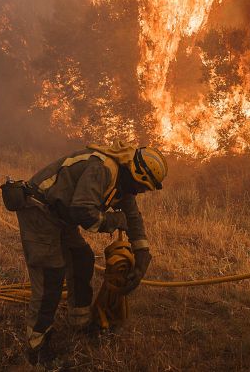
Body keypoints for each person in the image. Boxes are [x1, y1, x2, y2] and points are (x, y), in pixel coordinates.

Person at [10, 142, 167, 351]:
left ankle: (80, 321)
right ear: (137, 175)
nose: (141, 192)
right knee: (51, 276)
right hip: (39, 211)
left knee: (82, 259)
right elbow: (82, 212)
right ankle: (37, 344)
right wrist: (114, 220)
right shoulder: (103, 168)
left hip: (60, 217)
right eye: (142, 187)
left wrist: (142, 256)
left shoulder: (123, 182)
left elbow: (132, 217)